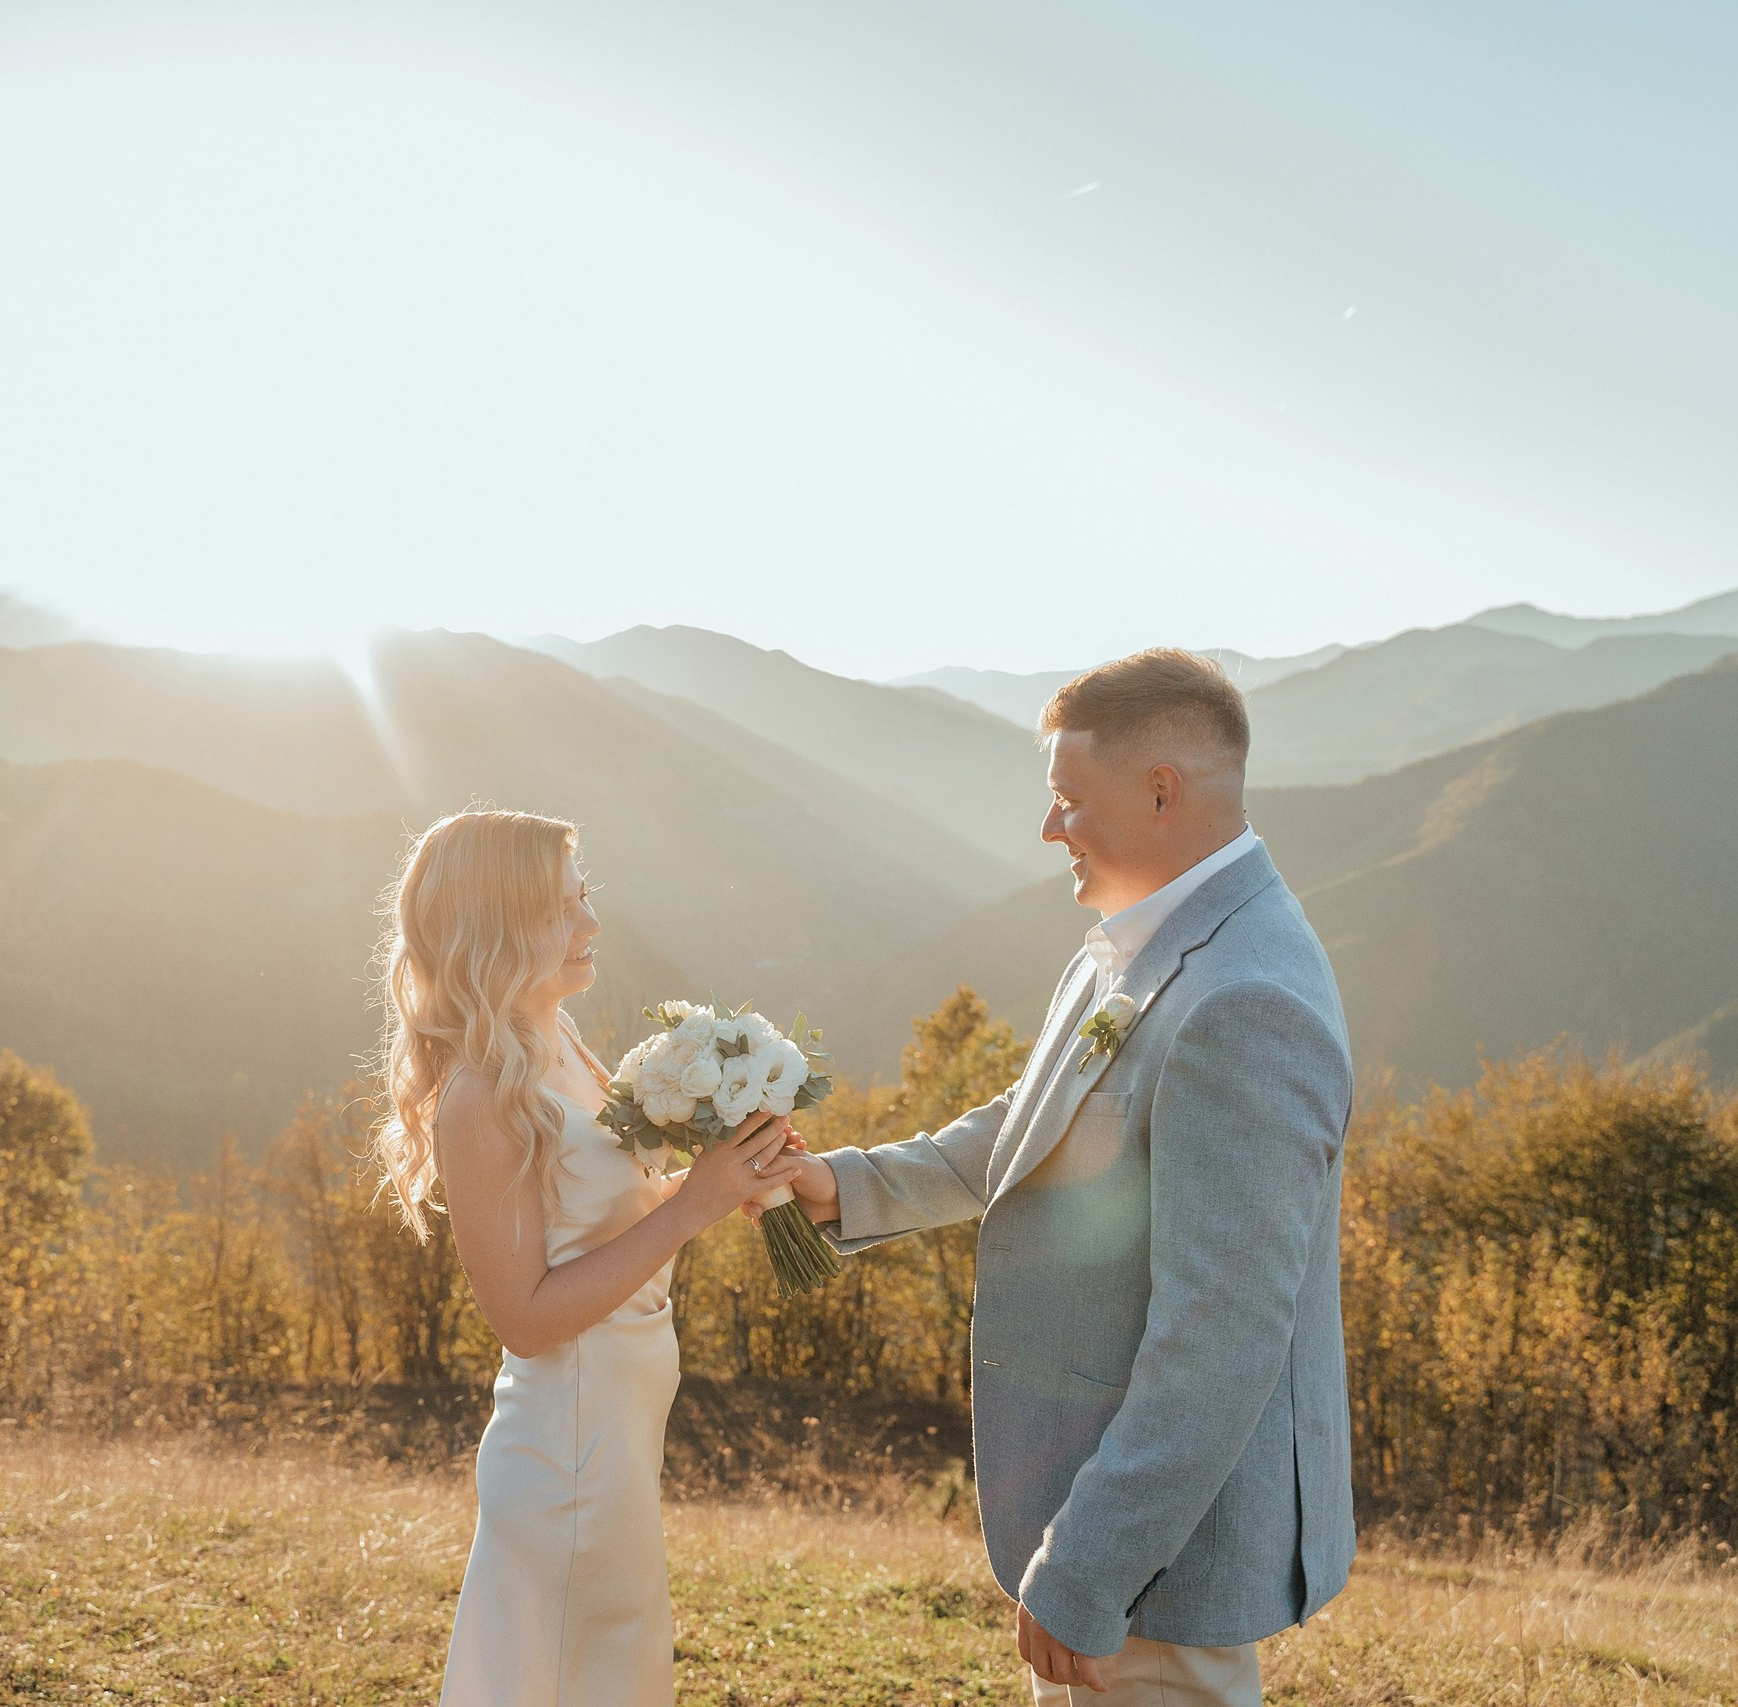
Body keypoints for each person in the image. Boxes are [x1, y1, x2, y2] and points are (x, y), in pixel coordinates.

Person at [783, 649, 1356, 1706]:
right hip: (1101, 1525)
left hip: (1156, 1570)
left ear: (1158, 792)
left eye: (1066, 799)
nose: (1049, 830)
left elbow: (1220, 1341)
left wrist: (1089, 1568)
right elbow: (1040, 1121)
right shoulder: (1126, 947)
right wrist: (849, 1185)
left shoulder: (1243, 1004)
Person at [369, 809, 805, 1707]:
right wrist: (694, 1203)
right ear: (501, 926)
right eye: (565, 909)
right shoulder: (484, 1092)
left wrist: (735, 1172)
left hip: (620, 1421)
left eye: (585, 899)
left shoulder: (557, 1038)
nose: (592, 924)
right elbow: (524, 1319)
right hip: (566, 1446)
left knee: (614, 1665)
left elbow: (608, 1214)